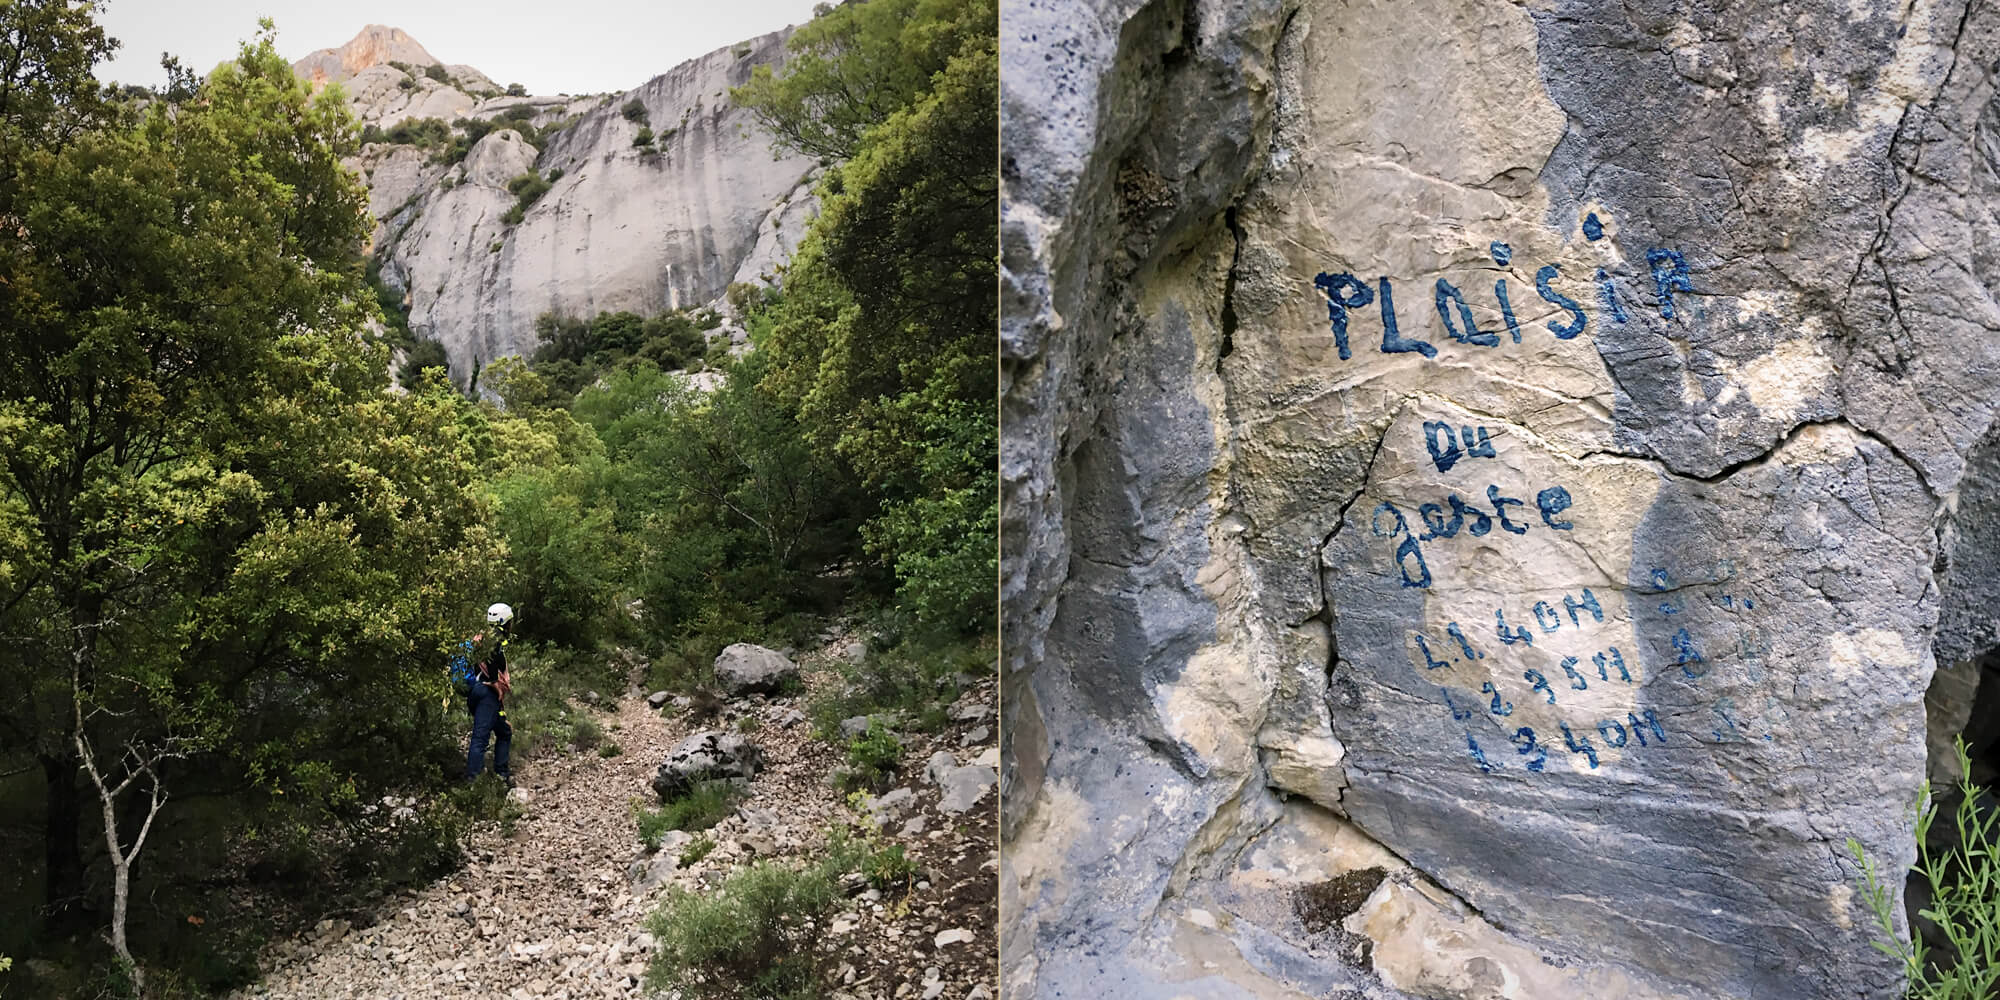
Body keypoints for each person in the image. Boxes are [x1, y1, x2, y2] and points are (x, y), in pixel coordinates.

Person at [462, 602, 516, 784]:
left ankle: (501, 772)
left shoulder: (481, 638)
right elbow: (493, 665)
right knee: (480, 737)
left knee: (504, 731)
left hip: (477, 692)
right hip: (486, 693)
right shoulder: (495, 640)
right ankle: (474, 781)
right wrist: (494, 681)